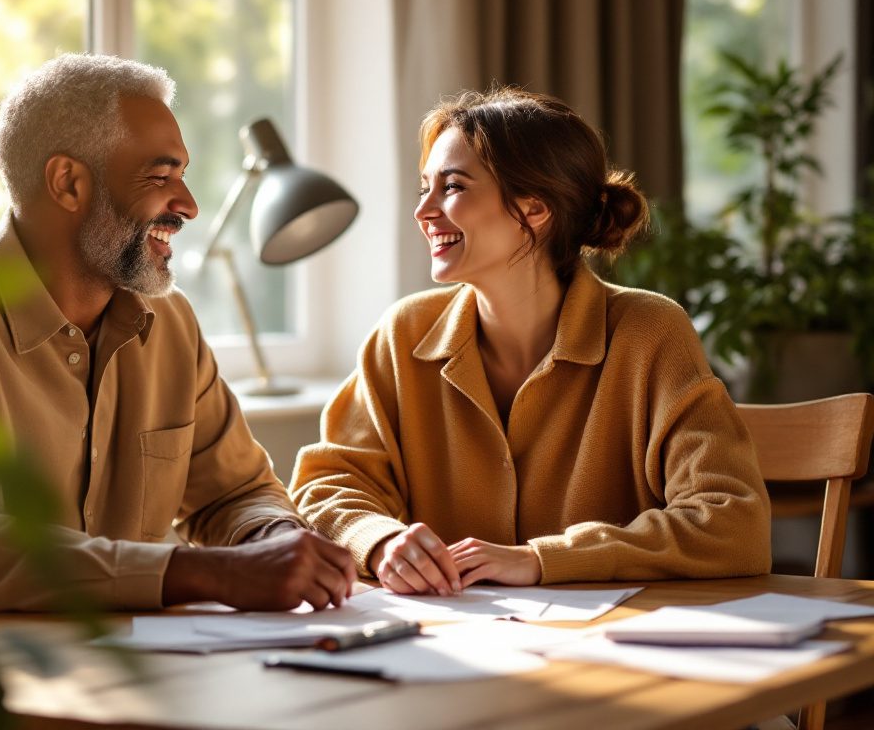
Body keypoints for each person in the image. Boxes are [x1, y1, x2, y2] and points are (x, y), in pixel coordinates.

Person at [0, 54, 354, 627]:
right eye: (160, 177)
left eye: (182, 175)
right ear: (69, 183)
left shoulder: (171, 325)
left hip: (117, 673)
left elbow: (233, 493)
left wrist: (276, 539)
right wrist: (212, 573)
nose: (188, 205)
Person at [289, 86, 771, 596]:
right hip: (452, 648)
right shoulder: (403, 334)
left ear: (534, 209)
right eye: (423, 188)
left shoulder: (649, 332)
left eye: (451, 187)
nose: (423, 211)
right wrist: (381, 542)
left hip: (608, 653)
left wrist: (543, 560)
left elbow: (733, 523)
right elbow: (326, 486)